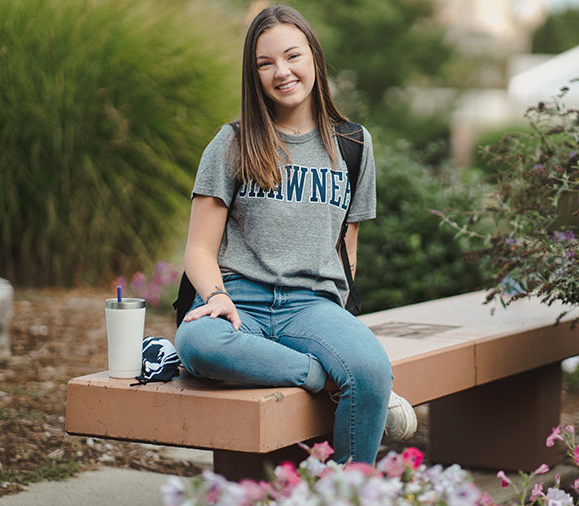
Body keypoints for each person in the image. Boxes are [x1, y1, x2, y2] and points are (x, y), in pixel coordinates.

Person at [173, 5, 416, 465]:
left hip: (312, 306)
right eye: (265, 63)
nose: (281, 72)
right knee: (196, 343)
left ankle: (347, 492)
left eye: (292, 56)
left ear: (314, 59)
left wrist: (337, 328)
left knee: (370, 367)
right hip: (240, 299)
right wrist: (217, 296)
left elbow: (347, 248)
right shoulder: (233, 142)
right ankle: (322, 377)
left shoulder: (353, 145)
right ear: (254, 75)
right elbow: (199, 248)